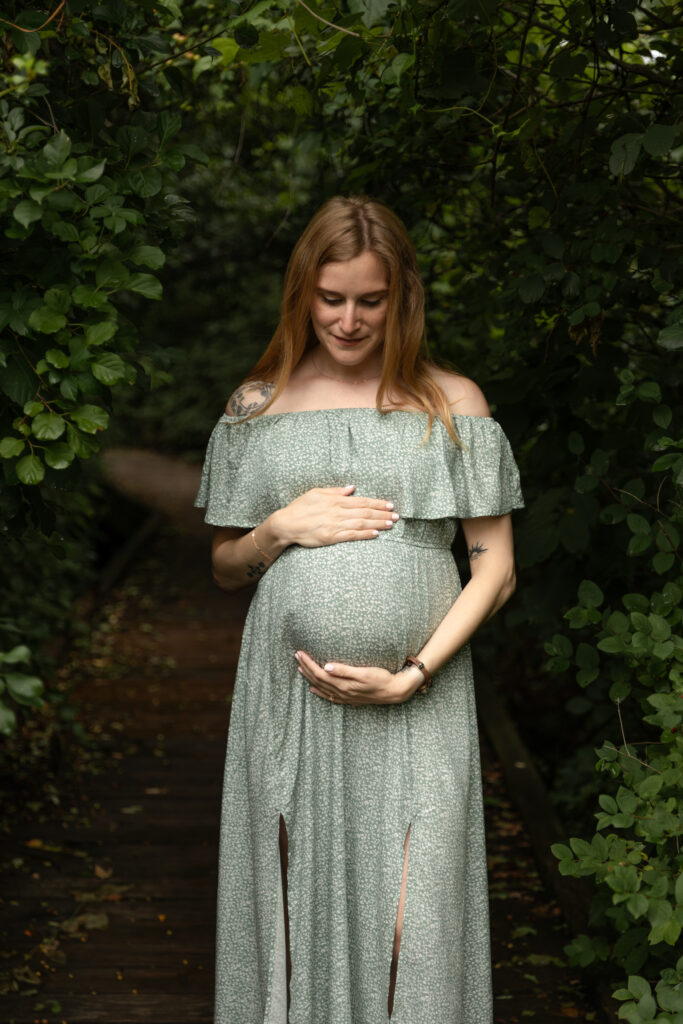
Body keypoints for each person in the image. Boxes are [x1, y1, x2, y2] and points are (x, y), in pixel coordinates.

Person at [194, 195, 524, 1024]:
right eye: (330, 297)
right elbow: (226, 567)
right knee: (294, 911)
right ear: (302, 292)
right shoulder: (255, 407)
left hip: (420, 700)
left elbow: (495, 571)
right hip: (291, 701)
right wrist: (276, 529)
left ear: (401, 296)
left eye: (368, 300)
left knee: (418, 922)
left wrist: (412, 674)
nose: (347, 319)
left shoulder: (453, 403)